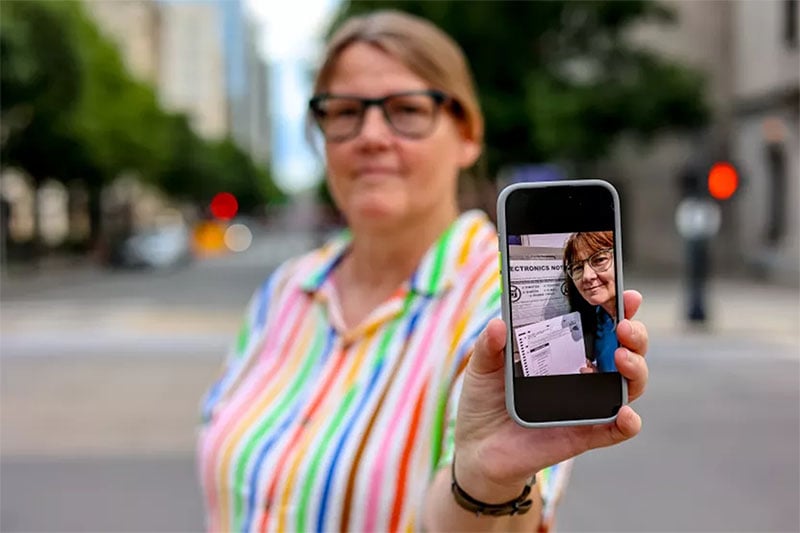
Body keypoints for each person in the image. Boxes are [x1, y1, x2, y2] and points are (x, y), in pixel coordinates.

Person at [198, 10, 650, 532]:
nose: (370, 136)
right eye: (343, 112)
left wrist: (486, 483)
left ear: (467, 136)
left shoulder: (510, 298)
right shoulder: (284, 292)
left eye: (407, 110)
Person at [563, 231, 619, 373]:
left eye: (599, 260)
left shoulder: (631, 318)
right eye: (577, 268)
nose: (587, 276)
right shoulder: (599, 317)